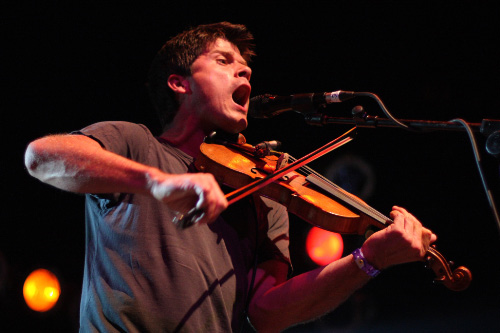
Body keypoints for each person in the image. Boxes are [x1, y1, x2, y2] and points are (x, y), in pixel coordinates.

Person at [24, 22, 436, 332]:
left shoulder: (266, 198)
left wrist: (367, 260)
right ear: (178, 83)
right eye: (224, 62)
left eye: (246, 68)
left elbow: (267, 312)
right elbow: (42, 157)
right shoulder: (136, 144)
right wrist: (156, 182)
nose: (245, 75)